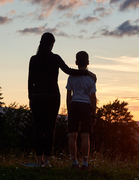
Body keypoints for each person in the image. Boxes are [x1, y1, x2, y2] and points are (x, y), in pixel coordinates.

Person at [27, 32, 96, 168]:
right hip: (53, 97)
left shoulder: (33, 59)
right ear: (52, 44)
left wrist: (31, 97)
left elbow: (30, 81)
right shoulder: (55, 58)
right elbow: (69, 71)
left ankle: (39, 160)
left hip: (37, 96)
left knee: (38, 128)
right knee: (50, 129)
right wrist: (86, 72)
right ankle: (46, 162)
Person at [66, 51, 97, 170]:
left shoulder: (71, 77)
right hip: (85, 106)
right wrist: (94, 112)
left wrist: (69, 109)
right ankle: (85, 162)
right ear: (88, 62)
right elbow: (93, 97)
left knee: (72, 134)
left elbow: (69, 95)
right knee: (85, 136)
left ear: (76, 62)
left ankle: (74, 161)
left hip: (74, 105)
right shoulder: (90, 79)